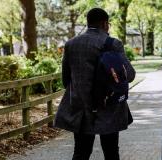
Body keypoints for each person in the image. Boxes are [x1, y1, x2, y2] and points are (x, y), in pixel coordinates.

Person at [54, 8, 136, 160]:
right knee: (111, 152)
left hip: (81, 108)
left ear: (88, 22)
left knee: (81, 153)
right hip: (109, 106)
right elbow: (129, 75)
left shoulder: (71, 44)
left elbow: (66, 79)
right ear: (105, 24)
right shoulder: (113, 44)